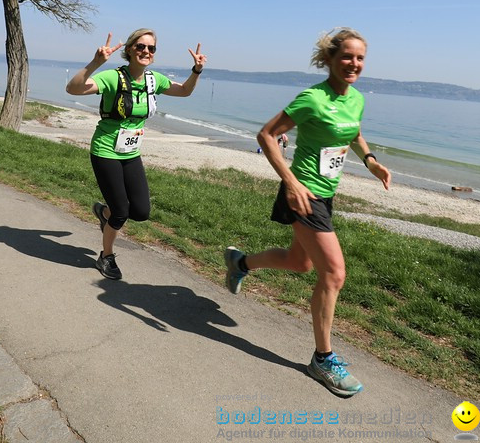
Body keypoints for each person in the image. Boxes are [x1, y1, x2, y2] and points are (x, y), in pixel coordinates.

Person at [222, 28, 391, 399]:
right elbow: (266, 135)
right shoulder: (312, 99)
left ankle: (240, 263)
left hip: (325, 195)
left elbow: (354, 132)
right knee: (334, 273)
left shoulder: (356, 99)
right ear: (330, 59)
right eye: (347, 56)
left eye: (360, 58)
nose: (354, 64)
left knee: (301, 264)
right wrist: (291, 182)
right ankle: (322, 359)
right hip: (303, 195)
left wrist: (372, 161)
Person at [66, 29, 207, 280]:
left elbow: (184, 91)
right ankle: (106, 256)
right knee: (122, 211)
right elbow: (73, 89)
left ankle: (104, 213)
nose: (146, 52)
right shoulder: (112, 77)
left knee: (140, 212)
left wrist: (196, 71)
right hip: (106, 150)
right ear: (130, 49)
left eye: (151, 48)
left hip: (131, 152)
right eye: (141, 46)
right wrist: (96, 63)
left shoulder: (154, 80)